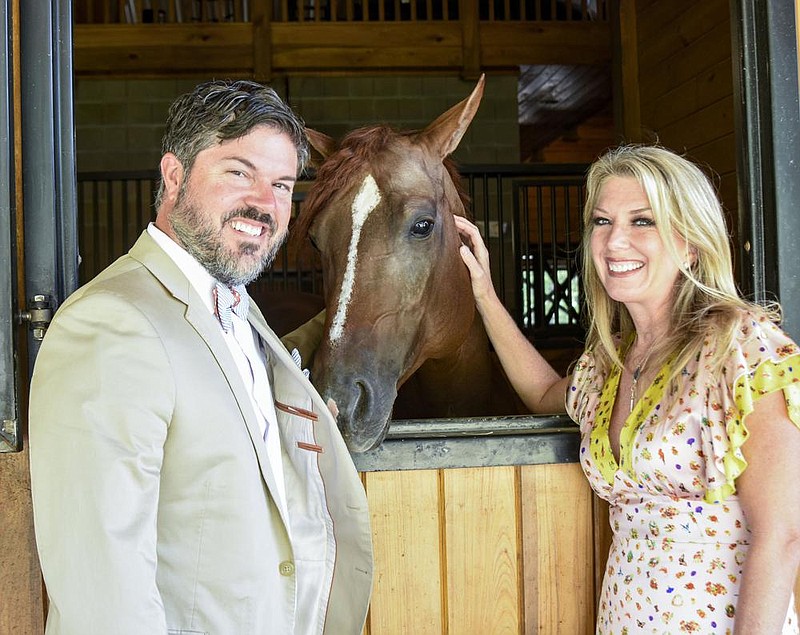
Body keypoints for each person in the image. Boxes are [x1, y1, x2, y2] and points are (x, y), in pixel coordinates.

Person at [29, 79, 373, 635]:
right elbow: (103, 576)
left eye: (282, 184)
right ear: (173, 175)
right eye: (239, 172)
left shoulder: (240, 310)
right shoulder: (112, 322)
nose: (265, 203)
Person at [455, 144, 800, 633]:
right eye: (602, 221)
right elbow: (543, 392)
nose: (615, 241)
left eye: (642, 221)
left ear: (691, 241)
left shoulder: (742, 347)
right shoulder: (609, 361)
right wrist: (485, 294)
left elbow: (783, 535)